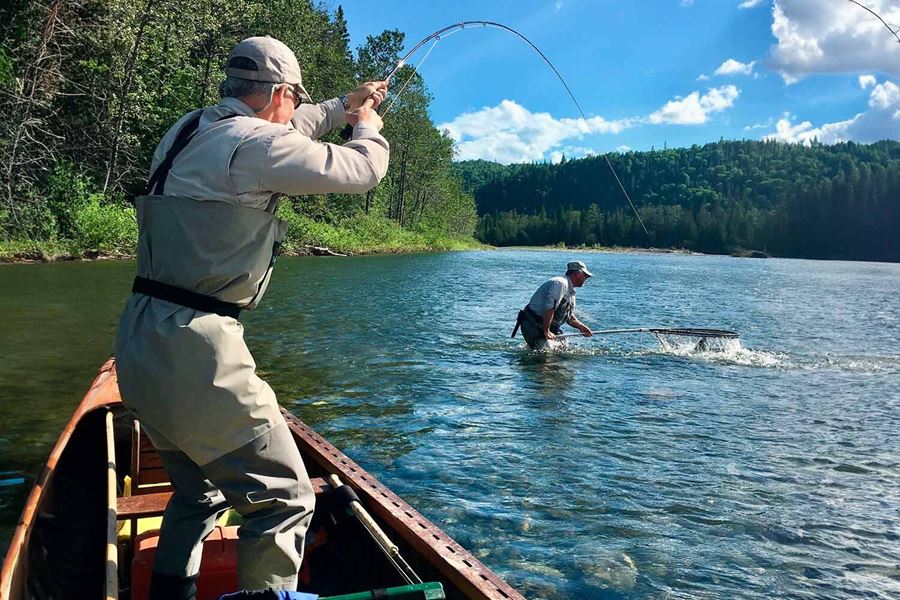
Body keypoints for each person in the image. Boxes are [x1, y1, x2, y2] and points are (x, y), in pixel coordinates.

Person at [114, 36, 389, 600]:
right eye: (295, 98)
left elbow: (293, 126)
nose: (296, 110)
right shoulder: (256, 146)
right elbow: (361, 170)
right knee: (286, 499)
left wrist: (342, 104)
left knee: (198, 495)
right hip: (197, 349)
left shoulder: (190, 128)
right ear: (280, 94)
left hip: (140, 340)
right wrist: (365, 125)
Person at [512, 261, 594, 349]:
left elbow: (569, 317)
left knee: (562, 349)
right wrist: (546, 331)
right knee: (549, 354)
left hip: (546, 327)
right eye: (585, 275)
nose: (586, 278)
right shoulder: (560, 284)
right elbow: (549, 308)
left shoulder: (571, 292)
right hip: (533, 324)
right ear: (577, 274)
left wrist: (581, 327)